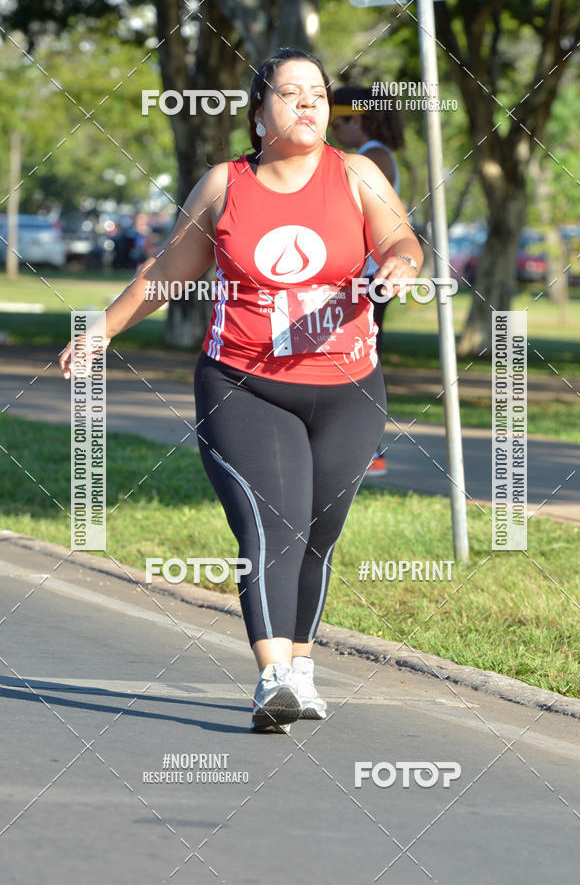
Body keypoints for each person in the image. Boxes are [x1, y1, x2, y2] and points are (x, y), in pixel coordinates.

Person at [60, 49, 423, 734]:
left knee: (318, 535)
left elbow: (400, 237)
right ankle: (271, 675)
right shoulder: (226, 187)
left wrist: (402, 265)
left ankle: (303, 669)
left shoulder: (357, 175)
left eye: (317, 92)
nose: (310, 103)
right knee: (271, 524)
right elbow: (169, 271)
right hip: (244, 385)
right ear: (260, 115)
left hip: (349, 388)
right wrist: (101, 332)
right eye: (291, 93)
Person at [330, 86, 411, 476]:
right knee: (350, 361)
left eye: (336, 121)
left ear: (356, 119)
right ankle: (360, 448)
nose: (332, 131)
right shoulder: (372, 155)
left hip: (368, 280)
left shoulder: (371, 157)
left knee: (358, 362)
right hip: (365, 279)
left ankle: (369, 450)